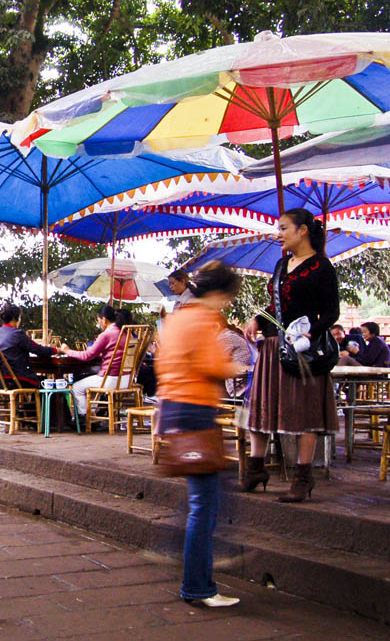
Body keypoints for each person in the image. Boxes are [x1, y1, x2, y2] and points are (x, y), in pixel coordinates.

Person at [156, 261, 244, 608]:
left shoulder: (177, 318)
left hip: (174, 406)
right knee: (206, 502)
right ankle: (198, 585)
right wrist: (234, 365)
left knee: (203, 496)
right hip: (196, 408)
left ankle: (180, 552)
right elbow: (211, 365)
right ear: (220, 294)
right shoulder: (205, 320)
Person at [242, 208, 340, 503]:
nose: (279, 234)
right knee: (262, 409)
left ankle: (302, 477)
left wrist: (311, 333)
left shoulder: (322, 266)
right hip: (273, 347)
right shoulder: (281, 265)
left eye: (284, 228)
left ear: (303, 231)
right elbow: (276, 306)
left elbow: (332, 312)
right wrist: (257, 320)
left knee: (302, 412)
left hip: (303, 351)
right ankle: (256, 468)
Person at [60, 305, 124, 424]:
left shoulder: (106, 334)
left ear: (104, 319)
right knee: (92, 382)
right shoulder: (125, 332)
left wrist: (67, 351)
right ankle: (93, 416)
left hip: (111, 379)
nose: (99, 323)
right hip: (126, 380)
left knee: (77, 387)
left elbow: (87, 356)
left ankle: (84, 418)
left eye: (98, 320)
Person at [0, 305, 56, 388]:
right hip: (17, 379)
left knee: (40, 380)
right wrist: (57, 350)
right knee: (47, 383)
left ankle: (33, 401)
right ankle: (37, 401)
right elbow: (40, 350)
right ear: (16, 318)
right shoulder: (17, 334)